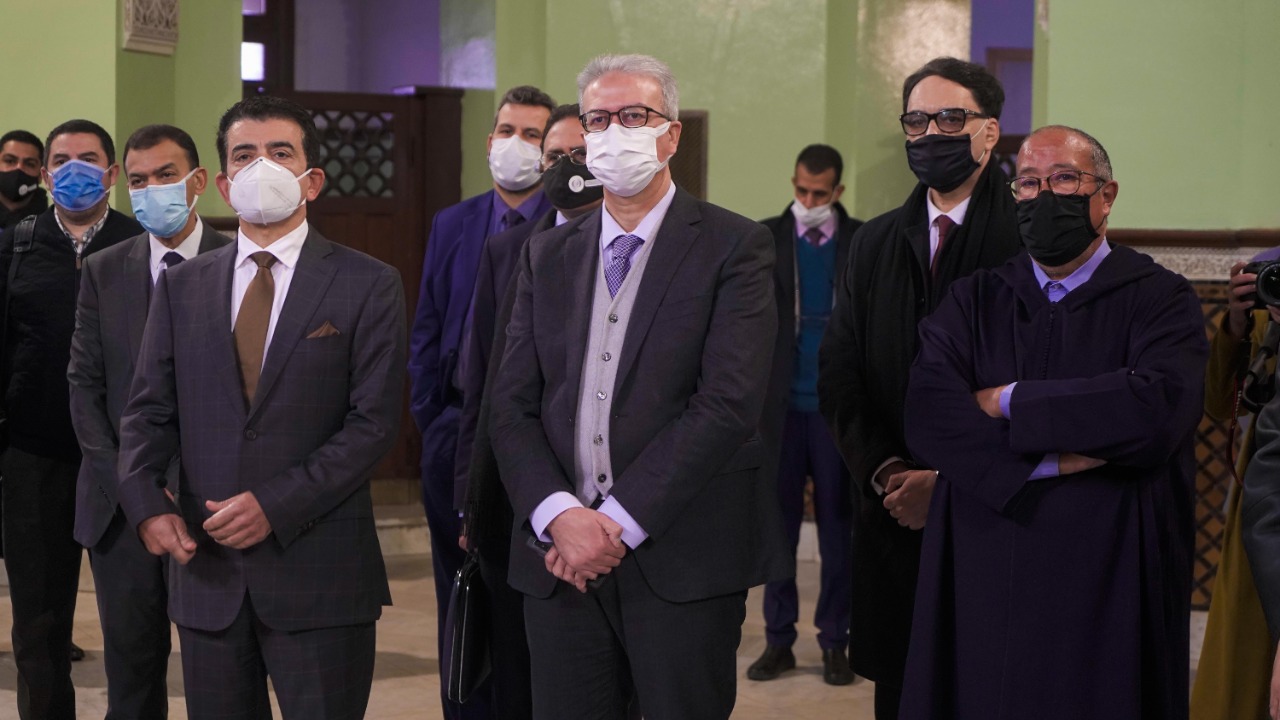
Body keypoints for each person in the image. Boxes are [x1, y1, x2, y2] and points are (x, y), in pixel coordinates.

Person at [489, 53, 791, 720]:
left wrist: (615, 524)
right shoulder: (548, 254)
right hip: (558, 560)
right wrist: (559, 515)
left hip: (681, 556)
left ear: (671, 134)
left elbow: (727, 403)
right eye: (598, 120)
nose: (613, 132)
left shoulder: (734, 246)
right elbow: (510, 405)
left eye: (633, 115)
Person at [900, 125, 1207, 720]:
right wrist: (1054, 460)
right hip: (988, 556)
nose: (1044, 196)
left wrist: (1009, 399)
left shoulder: (1161, 299)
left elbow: (1155, 409)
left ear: (1106, 195)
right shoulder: (976, 299)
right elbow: (929, 413)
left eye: (1064, 179)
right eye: (1029, 183)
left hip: (1109, 563)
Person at [115, 95, 406, 720]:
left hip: (321, 574)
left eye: (280, 153)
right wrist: (145, 504)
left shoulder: (369, 282)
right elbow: (147, 411)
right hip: (209, 572)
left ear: (312, 180)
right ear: (223, 183)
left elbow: (373, 424)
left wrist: (275, 505)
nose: (261, 167)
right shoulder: (183, 285)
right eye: (244, 155)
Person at [816, 56, 1021, 719]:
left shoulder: (1029, 239)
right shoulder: (874, 242)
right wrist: (888, 473)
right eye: (917, 120)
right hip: (893, 515)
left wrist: (950, 484)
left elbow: (1042, 384)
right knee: (903, 692)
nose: (931, 133)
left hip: (996, 517)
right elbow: (839, 374)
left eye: (950, 118)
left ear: (989, 132)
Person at [68, 123, 230, 719]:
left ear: (197, 181)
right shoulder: (104, 269)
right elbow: (85, 390)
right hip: (121, 509)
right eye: (137, 180)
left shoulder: (238, 261)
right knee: (132, 676)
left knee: (220, 678)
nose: (151, 189)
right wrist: (137, 492)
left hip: (213, 506)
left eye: (165, 175)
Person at [406, 83, 554, 720]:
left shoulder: (564, 224)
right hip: (453, 426)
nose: (515, 145)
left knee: (517, 597)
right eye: (506, 131)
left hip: (527, 438)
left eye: (532, 135)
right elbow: (428, 326)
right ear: (489, 139)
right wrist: (431, 415)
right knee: (459, 593)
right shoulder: (454, 222)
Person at [453, 102, 604, 718]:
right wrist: (472, 496)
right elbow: (485, 387)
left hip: (611, 501)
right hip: (519, 490)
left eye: (579, 154)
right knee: (520, 673)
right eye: (555, 157)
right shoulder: (510, 250)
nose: (567, 166)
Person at [0, 118, 143, 720]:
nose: (74, 170)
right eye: (61, 160)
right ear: (44, 173)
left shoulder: (141, 243)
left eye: (88, 158)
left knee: (134, 623)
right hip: (35, 456)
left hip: (124, 458)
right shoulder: (16, 244)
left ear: (110, 175)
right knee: (38, 623)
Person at [748, 143, 860, 686]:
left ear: (838, 191)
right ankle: (779, 640)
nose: (808, 202)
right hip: (780, 410)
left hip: (835, 410)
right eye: (801, 190)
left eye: (819, 193)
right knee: (779, 529)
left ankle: (836, 640)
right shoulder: (765, 238)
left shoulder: (861, 241)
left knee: (839, 531)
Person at [1189, 255, 1276, 719]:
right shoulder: (1268, 277)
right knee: (1244, 664)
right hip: (1265, 501)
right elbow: (1222, 405)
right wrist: (1238, 325)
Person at [0, 130, 48, 232]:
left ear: (41, 175)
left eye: (29, 164)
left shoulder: (52, 228)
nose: (19, 168)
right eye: (9, 161)